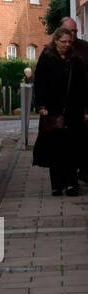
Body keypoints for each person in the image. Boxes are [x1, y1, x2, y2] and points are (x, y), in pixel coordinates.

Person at [32, 24, 88, 195]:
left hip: (73, 111)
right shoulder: (47, 58)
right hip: (53, 112)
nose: (66, 44)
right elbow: (39, 83)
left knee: (73, 148)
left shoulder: (75, 60)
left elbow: (83, 87)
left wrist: (85, 110)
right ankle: (57, 185)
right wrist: (41, 106)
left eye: (68, 42)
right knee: (56, 149)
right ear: (55, 41)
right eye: (63, 41)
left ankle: (71, 184)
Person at [59, 18, 88, 179]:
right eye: (70, 31)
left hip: (82, 102)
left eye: (75, 31)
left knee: (83, 138)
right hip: (63, 105)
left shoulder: (84, 48)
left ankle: (83, 171)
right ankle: (67, 177)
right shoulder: (55, 51)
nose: (73, 34)